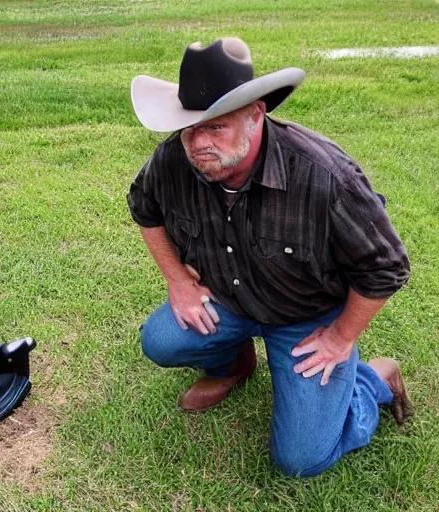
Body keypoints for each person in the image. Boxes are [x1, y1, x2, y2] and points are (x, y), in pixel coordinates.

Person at [127, 37, 413, 477]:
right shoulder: (171, 160)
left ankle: (373, 380)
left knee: (301, 459)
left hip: (306, 316)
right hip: (227, 297)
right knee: (162, 340)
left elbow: (387, 267)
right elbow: (143, 208)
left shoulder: (325, 176)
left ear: (255, 115)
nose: (198, 143)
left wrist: (339, 337)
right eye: (189, 128)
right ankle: (235, 364)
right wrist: (178, 280)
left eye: (216, 127)